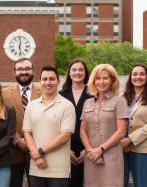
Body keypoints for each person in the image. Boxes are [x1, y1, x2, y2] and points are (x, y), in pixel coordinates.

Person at [23, 66, 76, 187]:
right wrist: (36, 157)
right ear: (40, 82)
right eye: (44, 79)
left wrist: (40, 151)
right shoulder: (31, 106)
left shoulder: (67, 106)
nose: (48, 82)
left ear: (58, 81)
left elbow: (65, 136)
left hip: (59, 171)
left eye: (52, 79)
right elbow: (27, 133)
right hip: (36, 167)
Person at [80, 64, 128, 187]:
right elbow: (82, 130)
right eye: (98, 78)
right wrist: (91, 152)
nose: (101, 82)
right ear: (93, 81)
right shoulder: (87, 103)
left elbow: (121, 131)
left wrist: (100, 150)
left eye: (105, 78)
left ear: (112, 80)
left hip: (111, 158)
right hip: (91, 158)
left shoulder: (120, 101)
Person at [2, 57, 42, 187]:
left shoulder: (44, 91)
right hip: (13, 152)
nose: (24, 72)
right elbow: (1, 121)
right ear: (14, 72)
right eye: (20, 69)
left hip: (39, 152)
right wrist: (17, 140)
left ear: (33, 71)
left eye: (27, 69)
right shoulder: (4, 94)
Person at [121, 64, 147, 187]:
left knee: (142, 184)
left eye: (142, 74)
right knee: (118, 183)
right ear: (130, 77)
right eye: (135, 74)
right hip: (120, 148)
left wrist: (129, 140)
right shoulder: (121, 97)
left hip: (142, 149)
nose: (138, 77)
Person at [58, 58, 91, 187]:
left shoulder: (94, 94)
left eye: (81, 70)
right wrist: (66, 150)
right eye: (74, 69)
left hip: (88, 148)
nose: (77, 72)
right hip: (64, 148)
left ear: (86, 73)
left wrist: (88, 150)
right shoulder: (60, 95)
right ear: (69, 73)